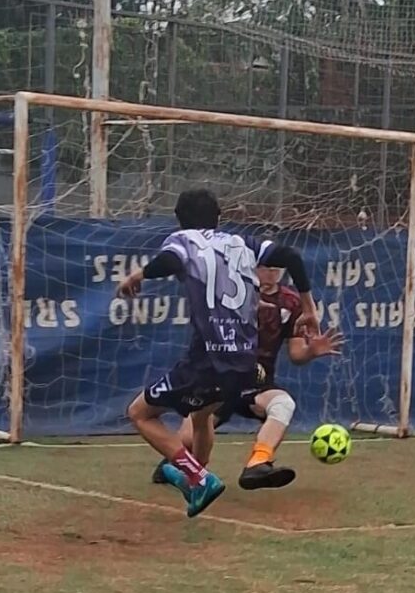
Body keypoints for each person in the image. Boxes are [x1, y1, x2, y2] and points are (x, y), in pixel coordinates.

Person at [118, 189, 319, 517]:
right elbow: (292, 258)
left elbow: (169, 261)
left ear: (180, 221)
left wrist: (137, 275)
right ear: (219, 217)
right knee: (200, 417)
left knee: (139, 413)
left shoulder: (184, 240)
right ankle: (196, 479)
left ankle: (197, 477)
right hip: (245, 362)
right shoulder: (243, 243)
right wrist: (309, 308)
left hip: (207, 358)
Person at [151, 265, 343, 491]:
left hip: (257, 386)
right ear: (252, 267)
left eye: (277, 269)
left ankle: (258, 463)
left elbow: (296, 354)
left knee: (283, 404)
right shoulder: (230, 294)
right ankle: (174, 465)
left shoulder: (290, 303)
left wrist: (311, 351)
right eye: (265, 268)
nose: (271, 273)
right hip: (219, 381)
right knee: (187, 440)